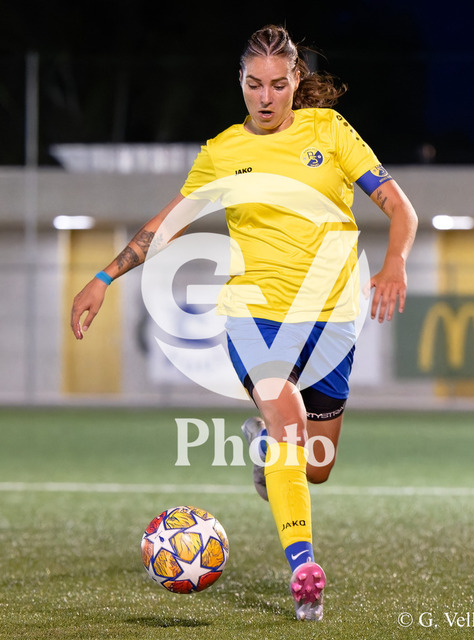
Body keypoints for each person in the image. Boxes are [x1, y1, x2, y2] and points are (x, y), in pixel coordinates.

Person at [71, 24, 418, 621]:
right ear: (240, 81)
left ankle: (264, 449)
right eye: (254, 84)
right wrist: (104, 276)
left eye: (278, 85)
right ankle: (303, 569)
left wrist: (395, 263)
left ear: (296, 82)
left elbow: (400, 207)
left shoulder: (330, 132)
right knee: (289, 419)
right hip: (255, 315)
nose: (265, 97)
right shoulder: (223, 151)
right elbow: (166, 226)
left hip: (332, 321)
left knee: (317, 466)